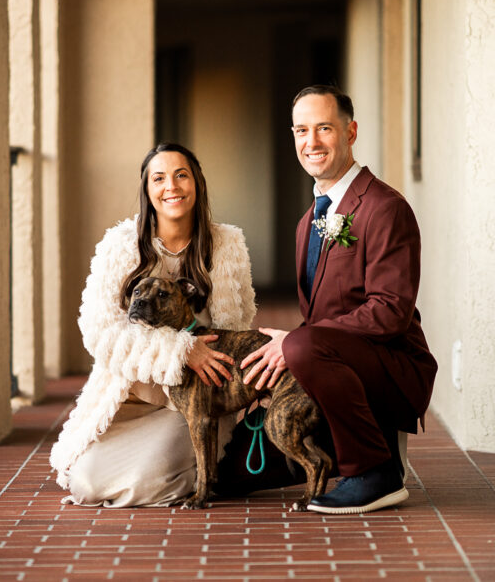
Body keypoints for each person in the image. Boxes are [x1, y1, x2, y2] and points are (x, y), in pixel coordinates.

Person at [242, 85, 438, 515]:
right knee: (231, 474)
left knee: (297, 343)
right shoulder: (308, 221)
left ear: (350, 132)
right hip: (336, 376)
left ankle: (376, 472)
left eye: (324, 128)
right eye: (301, 130)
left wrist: (297, 344)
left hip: (391, 369)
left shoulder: (384, 208)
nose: (311, 142)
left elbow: (390, 311)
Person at [49, 142, 256, 507]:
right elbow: (100, 331)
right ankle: (197, 470)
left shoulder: (226, 245)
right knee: (87, 482)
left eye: (181, 175)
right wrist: (182, 351)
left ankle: (205, 470)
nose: (171, 187)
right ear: (147, 190)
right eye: (158, 178)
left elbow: (233, 328)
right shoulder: (120, 245)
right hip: (132, 395)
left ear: (198, 184)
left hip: (195, 401)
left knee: (144, 482)